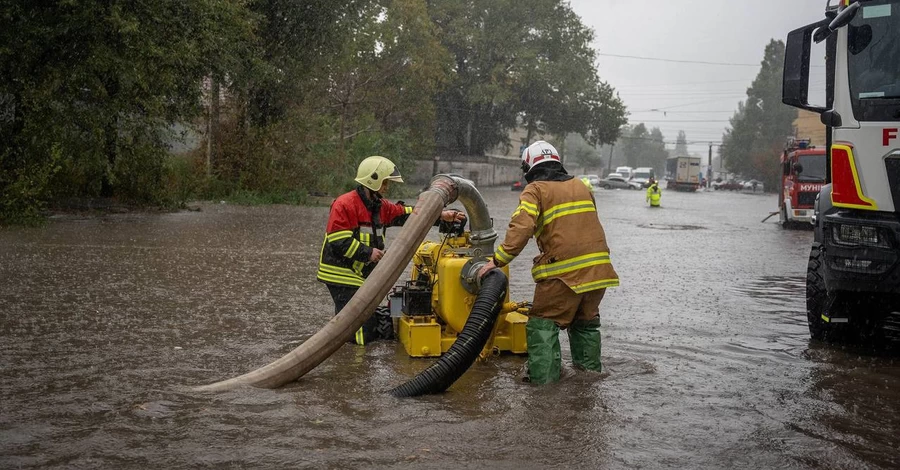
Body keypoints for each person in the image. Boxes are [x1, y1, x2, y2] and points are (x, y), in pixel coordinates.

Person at [477, 141, 619, 384]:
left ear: (529, 167)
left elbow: (521, 228)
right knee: (585, 325)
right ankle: (589, 381)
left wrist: (496, 261)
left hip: (563, 275)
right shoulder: (582, 186)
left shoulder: (535, 190)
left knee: (542, 324)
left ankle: (544, 389)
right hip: (599, 272)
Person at [317, 156, 466, 345]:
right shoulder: (344, 204)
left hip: (360, 274)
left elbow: (411, 215)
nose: (387, 187)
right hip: (340, 274)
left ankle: (350, 354)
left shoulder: (380, 206)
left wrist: (441, 215)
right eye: (385, 182)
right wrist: (369, 253)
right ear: (373, 180)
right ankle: (355, 365)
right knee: (360, 326)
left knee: (356, 322)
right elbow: (338, 241)